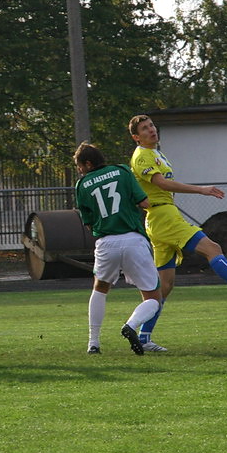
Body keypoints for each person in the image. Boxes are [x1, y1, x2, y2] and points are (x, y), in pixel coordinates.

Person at [128, 115, 227, 352]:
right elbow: (162, 184)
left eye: (152, 126)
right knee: (212, 248)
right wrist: (201, 190)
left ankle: (144, 336)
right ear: (136, 137)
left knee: (164, 286)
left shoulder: (156, 154)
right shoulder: (143, 155)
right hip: (164, 218)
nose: (151, 130)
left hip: (161, 218)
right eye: (145, 129)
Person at [73, 142, 162, 356]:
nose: (79, 170)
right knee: (153, 298)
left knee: (100, 289)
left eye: (78, 166)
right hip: (133, 239)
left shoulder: (82, 184)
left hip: (106, 242)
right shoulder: (122, 171)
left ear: (87, 163)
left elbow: (88, 222)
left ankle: (93, 343)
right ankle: (131, 326)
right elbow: (144, 202)